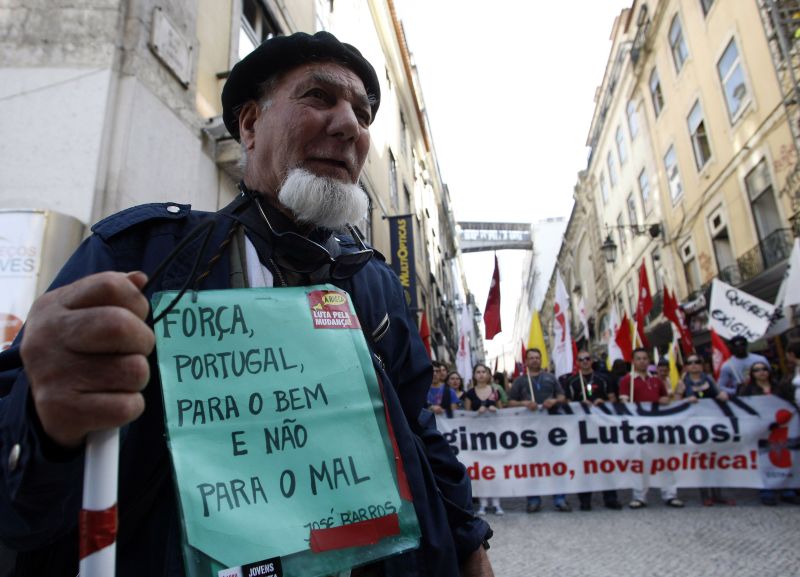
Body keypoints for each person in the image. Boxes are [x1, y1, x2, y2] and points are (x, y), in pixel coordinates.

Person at [0, 31, 493, 577]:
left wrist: (472, 545)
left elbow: (417, 424)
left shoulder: (376, 284)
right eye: (318, 97)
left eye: (361, 111)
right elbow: (18, 492)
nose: (349, 124)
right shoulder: (147, 256)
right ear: (251, 126)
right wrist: (42, 419)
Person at [619, 348, 684, 509]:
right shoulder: (628, 380)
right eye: (639, 359)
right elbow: (623, 401)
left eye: (645, 358)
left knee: (665, 461)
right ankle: (640, 496)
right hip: (639, 428)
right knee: (640, 462)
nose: (642, 361)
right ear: (633, 361)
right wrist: (627, 402)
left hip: (659, 426)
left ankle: (670, 494)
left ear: (649, 361)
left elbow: (664, 398)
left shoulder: (656, 380)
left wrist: (665, 399)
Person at [508, 348, 571, 513]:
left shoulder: (551, 378)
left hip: (552, 430)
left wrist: (554, 400)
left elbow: (562, 397)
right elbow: (509, 402)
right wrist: (525, 404)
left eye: (537, 357)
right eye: (531, 358)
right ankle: (533, 500)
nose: (535, 360)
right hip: (530, 432)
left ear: (541, 359)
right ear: (526, 361)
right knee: (533, 466)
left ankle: (560, 499)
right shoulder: (520, 381)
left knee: (557, 464)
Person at [566, 351, 621, 511]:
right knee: (583, 465)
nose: (584, 362)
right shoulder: (572, 381)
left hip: (602, 429)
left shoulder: (603, 378)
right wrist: (579, 404)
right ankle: (585, 500)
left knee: (606, 463)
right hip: (581, 430)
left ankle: (610, 497)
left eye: (587, 358)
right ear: (577, 362)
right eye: (581, 359)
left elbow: (613, 399)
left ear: (592, 361)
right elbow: (568, 403)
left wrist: (602, 402)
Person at [677, 354, 732, 506]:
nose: (694, 365)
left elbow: (719, 393)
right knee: (701, 460)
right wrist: (685, 400)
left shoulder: (709, 379)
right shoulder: (683, 382)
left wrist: (722, 395)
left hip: (713, 425)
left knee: (716, 459)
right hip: (694, 426)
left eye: (697, 362)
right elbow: (675, 402)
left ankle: (718, 493)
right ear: (686, 366)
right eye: (690, 362)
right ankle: (705, 494)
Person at [740, 362, 798, 506]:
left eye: (764, 369)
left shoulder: (780, 387)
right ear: (752, 374)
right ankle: (767, 491)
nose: (761, 372)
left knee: (785, 457)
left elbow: (791, 405)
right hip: (761, 431)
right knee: (764, 459)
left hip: (782, 429)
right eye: (757, 370)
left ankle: (787, 489)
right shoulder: (748, 390)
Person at [464, 364, 504, 516]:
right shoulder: (469, 393)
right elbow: (465, 416)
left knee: (494, 469)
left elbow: (503, 413)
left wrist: (496, 410)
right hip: (476, 438)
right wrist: (476, 413)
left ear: (488, 374)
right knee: (481, 471)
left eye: (483, 372)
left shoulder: (495, 392)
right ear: (474, 375)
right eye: (478, 372)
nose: (481, 375)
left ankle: (497, 503)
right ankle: (483, 503)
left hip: (493, 437)